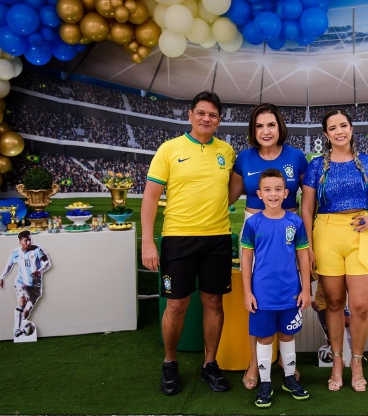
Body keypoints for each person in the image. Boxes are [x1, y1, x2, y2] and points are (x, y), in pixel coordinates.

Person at [301, 108, 368, 392]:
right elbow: (307, 209)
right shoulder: (316, 166)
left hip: (360, 233)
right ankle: (337, 362)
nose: (339, 132)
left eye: (343, 125)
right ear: (326, 134)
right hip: (326, 233)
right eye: (332, 128)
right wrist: (308, 247)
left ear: (351, 129)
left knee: (359, 306)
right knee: (333, 303)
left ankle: (356, 363)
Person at [141, 91, 236, 396]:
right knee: (176, 304)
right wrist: (148, 242)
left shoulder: (227, 151)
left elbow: (231, 190)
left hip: (217, 238)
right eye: (201, 113)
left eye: (213, 115)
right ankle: (169, 363)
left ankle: (210, 364)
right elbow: (150, 198)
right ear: (191, 115)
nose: (207, 119)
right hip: (178, 238)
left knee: (213, 302)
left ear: (219, 120)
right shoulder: (169, 149)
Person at [228, 103, 308, 390]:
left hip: (289, 231)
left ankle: (287, 364)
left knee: (289, 293)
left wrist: (309, 239)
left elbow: (309, 199)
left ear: (279, 127)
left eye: (271, 124)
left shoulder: (296, 157)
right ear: (253, 129)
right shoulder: (244, 158)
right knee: (257, 299)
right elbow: (227, 197)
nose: (265, 131)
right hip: (255, 229)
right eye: (259, 125)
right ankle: (255, 362)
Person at [241, 168, 311, 408]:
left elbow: (303, 256)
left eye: (278, 189)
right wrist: (248, 292)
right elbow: (246, 259)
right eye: (268, 190)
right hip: (262, 296)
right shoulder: (253, 223)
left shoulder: (295, 222)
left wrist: (305, 290)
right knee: (264, 337)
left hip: (290, 294)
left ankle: (289, 378)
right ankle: (265, 382)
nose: (273, 194)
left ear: (286, 193)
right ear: (259, 194)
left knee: (287, 335)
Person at [0, 230, 51, 338]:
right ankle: (16, 329)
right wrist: (2, 277)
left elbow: (47, 263)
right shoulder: (16, 253)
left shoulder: (38, 250)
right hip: (21, 283)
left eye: (29, 240)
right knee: (22, 301)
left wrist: (40, 271)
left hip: (36, 286)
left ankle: (22, 326)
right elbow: (9, 265)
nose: (28, 243)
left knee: (26, 312)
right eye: (26, 241)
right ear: (20, 242)